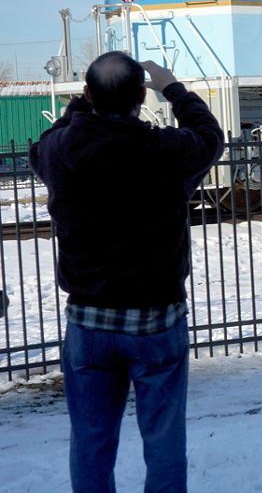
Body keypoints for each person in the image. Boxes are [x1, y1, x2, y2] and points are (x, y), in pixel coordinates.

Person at [29, 52, 224, 492]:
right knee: (164, 440)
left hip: (89, 322)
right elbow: (210, 137)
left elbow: (42, 144)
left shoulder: (62, 152)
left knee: (91, 442)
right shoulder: (167, 151)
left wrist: (81, 105)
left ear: (87, 95)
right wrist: (173, 89)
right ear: (141, 95)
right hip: (157, 321)